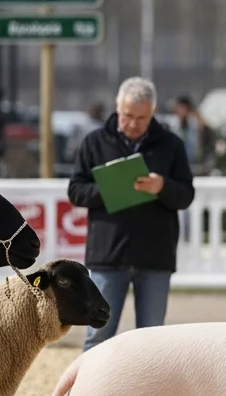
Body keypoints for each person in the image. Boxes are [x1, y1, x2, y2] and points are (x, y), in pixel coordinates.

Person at [68, 76, 195, 350]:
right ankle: (90, 381)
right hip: (108, 254)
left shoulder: (171, 144)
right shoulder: (94, 142)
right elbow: (76, 191)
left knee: (152, 339)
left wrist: (162, 186)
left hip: (156, 256)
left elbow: (186, 195)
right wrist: (110, 188)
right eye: (127, 116)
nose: (133, 124)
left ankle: (148, 382)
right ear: (117, 107)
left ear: (153, 112)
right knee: (98, 335)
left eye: (141, 118)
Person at [170, 94, 216, 173]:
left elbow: (208, 136)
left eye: (183, 108)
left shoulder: (195, 124)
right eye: (179, 108)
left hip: (194, 163)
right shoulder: (173, 124)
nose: (181, 111)